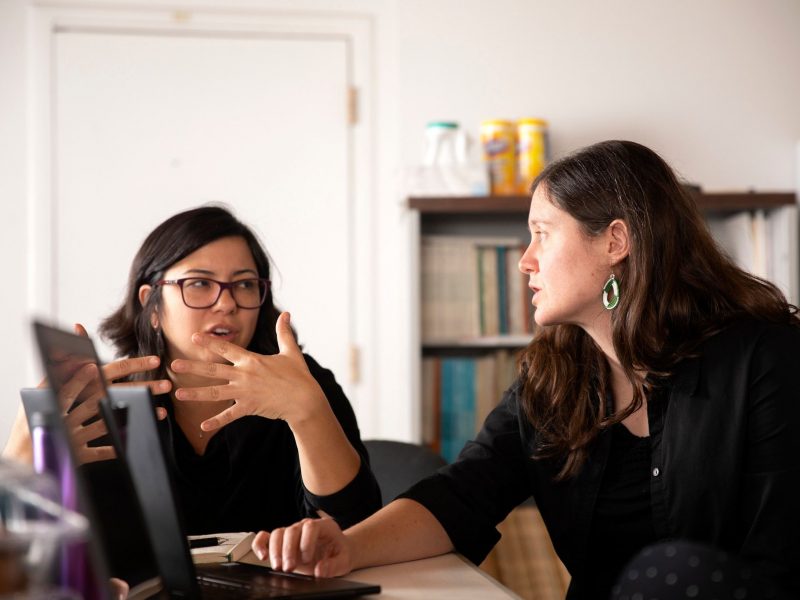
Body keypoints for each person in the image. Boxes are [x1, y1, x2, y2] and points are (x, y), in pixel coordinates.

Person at [251, 141, 800, 599]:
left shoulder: (764, 359)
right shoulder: (554, 376)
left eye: (543, 232)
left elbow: (780, 562)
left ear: (615, 241)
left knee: (679, 572)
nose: (525, 260)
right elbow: (465, 492)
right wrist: (348, 546)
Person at [4, 205, 381, 536]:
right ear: (151, 304)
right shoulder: (98, 404)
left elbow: (357, 530)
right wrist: (23, 460)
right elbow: (33, 553)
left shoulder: (304, 384)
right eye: (200, 283)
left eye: (245, 284)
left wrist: (307, 412)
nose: (227, 303)